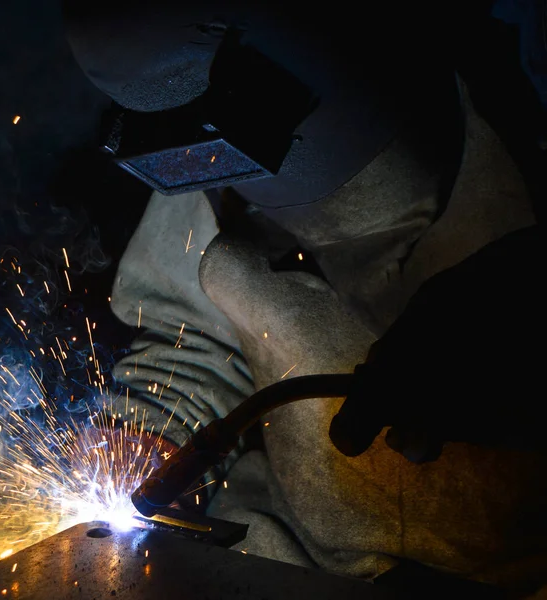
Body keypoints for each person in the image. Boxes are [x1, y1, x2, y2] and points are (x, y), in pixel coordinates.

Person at [64, 1, 546, 597]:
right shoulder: (199, 133)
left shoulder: (518, 98)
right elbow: (192, 341)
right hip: (278, 553)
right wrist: (148, 438)